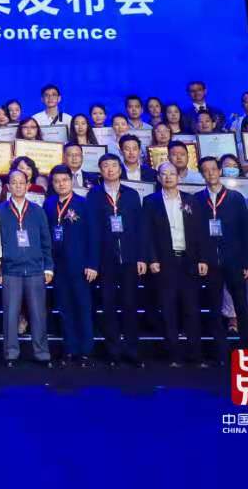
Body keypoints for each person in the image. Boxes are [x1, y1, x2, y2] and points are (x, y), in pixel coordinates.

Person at [143, 161, 211, 367]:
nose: (168, 177)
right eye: (164, 174)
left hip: (189, 261)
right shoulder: (150, 201)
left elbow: (201, 231)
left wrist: (203, 258)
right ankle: (174, 356)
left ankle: (196, 356)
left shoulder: (191, 200)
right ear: (158, 178)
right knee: (168, 309)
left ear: (179, 177)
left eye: (172, 174)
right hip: (165, 262)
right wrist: (152, 259)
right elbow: (147, 234)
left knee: (191, 309)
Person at [198, 155, 248, 362]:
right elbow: (196, 234)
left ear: (219, 171)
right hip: (211, 262)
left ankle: (247, 349)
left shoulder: (235, 197)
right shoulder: (197, 199)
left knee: (241, 305)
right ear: (202, 174)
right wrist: (202, 258)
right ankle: (220, 352)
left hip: (235, 260)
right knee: (214, 307)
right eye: (206, 170)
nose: (211, 173)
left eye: (214, 169)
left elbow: (247, 231)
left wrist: (247, 263)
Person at [90, 154, 146, 366]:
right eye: (105, 166)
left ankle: (133, 350)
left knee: (130, 304)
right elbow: (93, 230)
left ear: (120, 170)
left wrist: (141, 257)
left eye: (114, 165)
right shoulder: (94, 195)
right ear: (100, 170)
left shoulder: (131, 194)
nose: (110, 169)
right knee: (109, 305)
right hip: (106, 260)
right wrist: (94, 262)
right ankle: (113, 351)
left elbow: (140, 227)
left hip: (130, 258)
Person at [0, 168, 53, 366]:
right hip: (10, 270)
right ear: (8, 186)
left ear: (28, 186)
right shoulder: (0, 211)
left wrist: (48, 267)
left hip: (35, 269)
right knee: (10, 314)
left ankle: (42, 353)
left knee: (38, 314)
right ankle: (11, 353)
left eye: (22, 182)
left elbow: (46, 240)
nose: (18, 186)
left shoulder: (38, 211)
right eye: (14, 183)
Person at [43, 165, 96, 365]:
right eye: (56, 181)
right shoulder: (49, 204)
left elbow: (93, 235)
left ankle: (86, 351)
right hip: (58, 266)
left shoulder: (83, 203)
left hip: (81, 266)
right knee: (65, 309)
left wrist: (92, 263)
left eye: (64, 180)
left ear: (71, 181)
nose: (61, 184)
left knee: (83, 308)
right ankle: (70, 349)